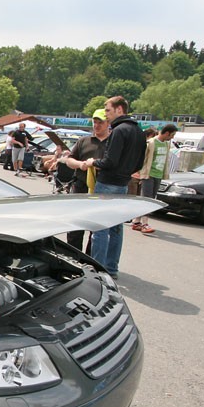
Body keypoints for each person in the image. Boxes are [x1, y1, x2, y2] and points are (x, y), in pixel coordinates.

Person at [82, 96, 147, 277]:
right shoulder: (139, 132)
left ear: (119, 109)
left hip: (108, 182)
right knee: (116, 228)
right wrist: (125, 173)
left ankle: (98, 269)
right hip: (123, 184)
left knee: (100, 228)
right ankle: (111, 268)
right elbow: (139, 164)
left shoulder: (119, 131)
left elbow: (110, 161)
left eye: (108, 110)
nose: (106, 114)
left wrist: (93, 162)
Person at [63, 109, 111, 251]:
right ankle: (73, 255)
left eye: (100, 122)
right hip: (81, 186)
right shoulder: (84, 141)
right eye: (94, 122)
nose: (96, 125)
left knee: (95, 228)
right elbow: (69, 160)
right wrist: (80, 164)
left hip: (102, 189)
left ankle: (90, 258)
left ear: (108, 123)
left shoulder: (112, 143)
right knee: (75, 226)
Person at [131, 123, 177, 234]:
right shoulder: (151, 143)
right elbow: (142, 158)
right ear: (167, 133)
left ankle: (136, 221)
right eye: (172, 135)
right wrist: (139, 173)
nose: (172, 138)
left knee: (150, 198)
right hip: (149, 174)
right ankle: (145, 224)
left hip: (158, 175)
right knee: (148, 200)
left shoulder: (166, 144)